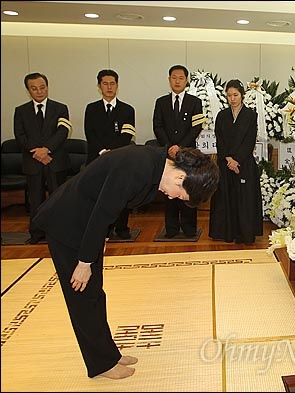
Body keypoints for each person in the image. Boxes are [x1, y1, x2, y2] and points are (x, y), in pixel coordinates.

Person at [32, 144, 219, 380]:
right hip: (67, 223)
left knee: (95, 294)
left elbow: (111, 206)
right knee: (82, 297)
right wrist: (84, 261)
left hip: (87, 225)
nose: (172, 197)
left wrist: (101, 238)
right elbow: (102, 211)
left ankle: (108, 353)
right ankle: (101, 364)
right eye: (179, 194)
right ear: (181, 177)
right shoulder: (138, 167)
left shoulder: (155, 164)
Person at [13, 72, 72, 244]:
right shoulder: (21, 111)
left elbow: (62, 132)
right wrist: (38, 153)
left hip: (55, 161)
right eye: (34, 88)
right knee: (35, 199)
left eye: (42, 87)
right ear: (28, 90)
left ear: (47, 87)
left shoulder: (60, 108)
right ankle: (37, 234)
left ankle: (59, 233)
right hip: (33, 162)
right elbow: (20, 135)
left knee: (58, 200)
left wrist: (46, 150)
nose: (39, 91)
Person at [153, 65, 206, 238]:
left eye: (181, 78)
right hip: (167, 155)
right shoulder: (161, 102)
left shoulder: (195, 102)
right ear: (169, 80)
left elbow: (196, 127)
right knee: (169, 190)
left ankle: (190, 228)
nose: (177, 81)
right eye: (174, 77)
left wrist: (180, 148)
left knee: (188, 189)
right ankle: (172, 228)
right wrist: (169, 147)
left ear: (186, 80)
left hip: (189, 154)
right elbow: (157, 126)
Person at [208, 79, 263, 244]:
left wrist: (237, 160)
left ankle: (244, 233)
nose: (232, 98)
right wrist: (228, 160)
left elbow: (249, 141)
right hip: (225, 164)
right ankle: (226, 233)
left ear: (242, 95)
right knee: (225, 197)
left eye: (235, 95)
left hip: (244, 163)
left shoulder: (251, 115)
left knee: (244, 199)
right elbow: (220, 140)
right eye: (229, 95)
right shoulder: (222, 115)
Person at [84, 69, 136, 239]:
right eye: (105, 83)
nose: (109, 87)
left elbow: (126, 134)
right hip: (97, 159)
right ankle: (103, 228)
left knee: (121, 194)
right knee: (100, 196)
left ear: (117, 85)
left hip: (120, 158)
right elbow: (90, 133)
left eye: (112, 83)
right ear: (99, 86)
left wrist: (111, 152)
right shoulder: (91, 109)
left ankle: (121, 227)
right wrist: (102, 152)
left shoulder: (127, 110)